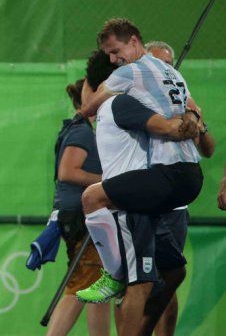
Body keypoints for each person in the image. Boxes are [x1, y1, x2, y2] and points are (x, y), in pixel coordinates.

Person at [76, 19, 202, 335]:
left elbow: (88, 108)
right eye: (111, 56)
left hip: (162, 180)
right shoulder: (172, 72)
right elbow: (194, 112)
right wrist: (190, 122)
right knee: (171, 272)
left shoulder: (124, 86)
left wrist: (89, 94)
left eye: (117, 51)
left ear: (134, 41)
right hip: (185, 180)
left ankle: (113, 274)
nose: (116, 59)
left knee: (93, 197)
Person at [142, 41, 215, 336]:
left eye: (169, 65)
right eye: (158, 64)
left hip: (174, 209)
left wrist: (198, 123)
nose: (165, 70)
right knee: (139, 281)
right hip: (145, 201)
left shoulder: (185, 100)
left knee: (168, 279)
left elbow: (208, 150)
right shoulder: (138, 98)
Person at [47, 49, 117, 336]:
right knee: (79, 286)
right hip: (81, 217)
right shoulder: (80, 132)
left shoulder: (83, 131)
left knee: (96, 285)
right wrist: (107, 181)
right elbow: (67, 172)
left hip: (83, 215)